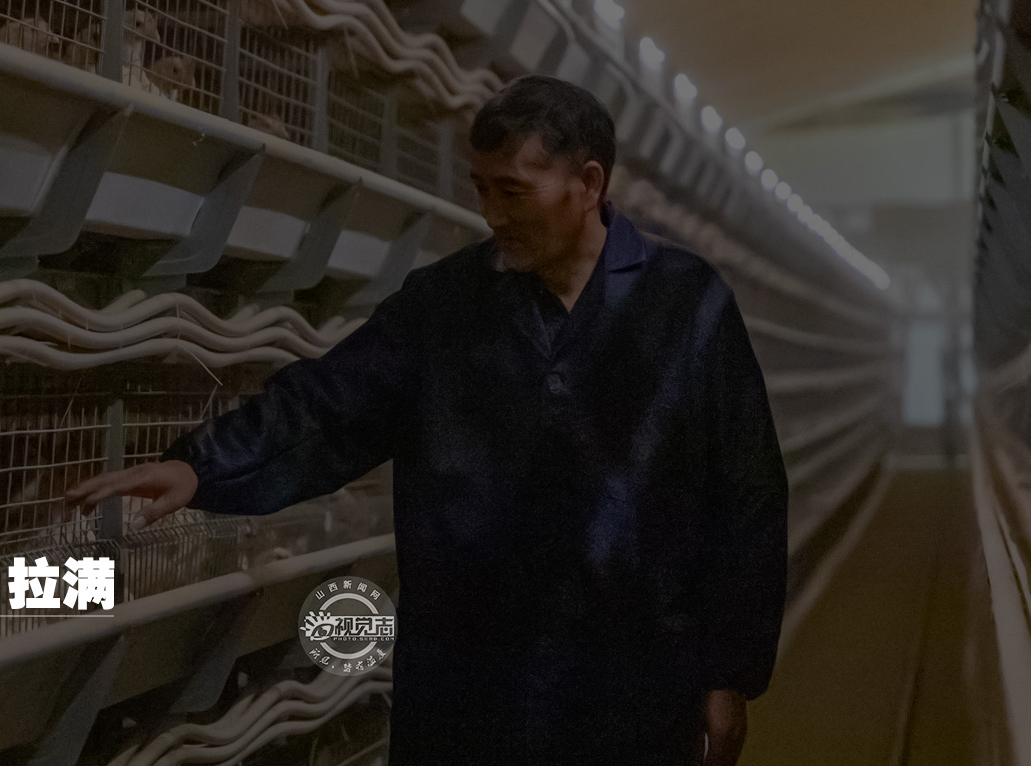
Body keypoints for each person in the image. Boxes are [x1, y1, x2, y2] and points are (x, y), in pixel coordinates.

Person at [63, 75, 787, 765]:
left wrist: (729, 674)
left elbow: (746, 492)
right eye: (482, 188)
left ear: (589, 183)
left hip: (634, 689)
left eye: (513, 190)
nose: (493, 214)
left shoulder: (686, 304)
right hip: (468, 689)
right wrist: (200, 466)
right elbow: (330, 404)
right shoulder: (443, 305)